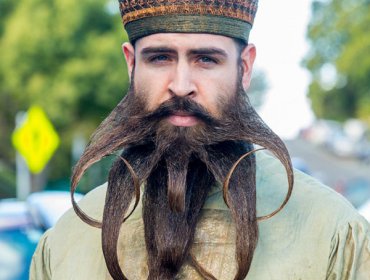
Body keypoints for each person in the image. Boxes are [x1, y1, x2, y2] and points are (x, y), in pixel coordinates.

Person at [30, 0, 370, 279]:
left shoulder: (331, 234)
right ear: (131, 64)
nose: (181, 85)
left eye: (206, 59)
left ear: (244, 67)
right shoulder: (66, 244)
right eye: (160, 57)